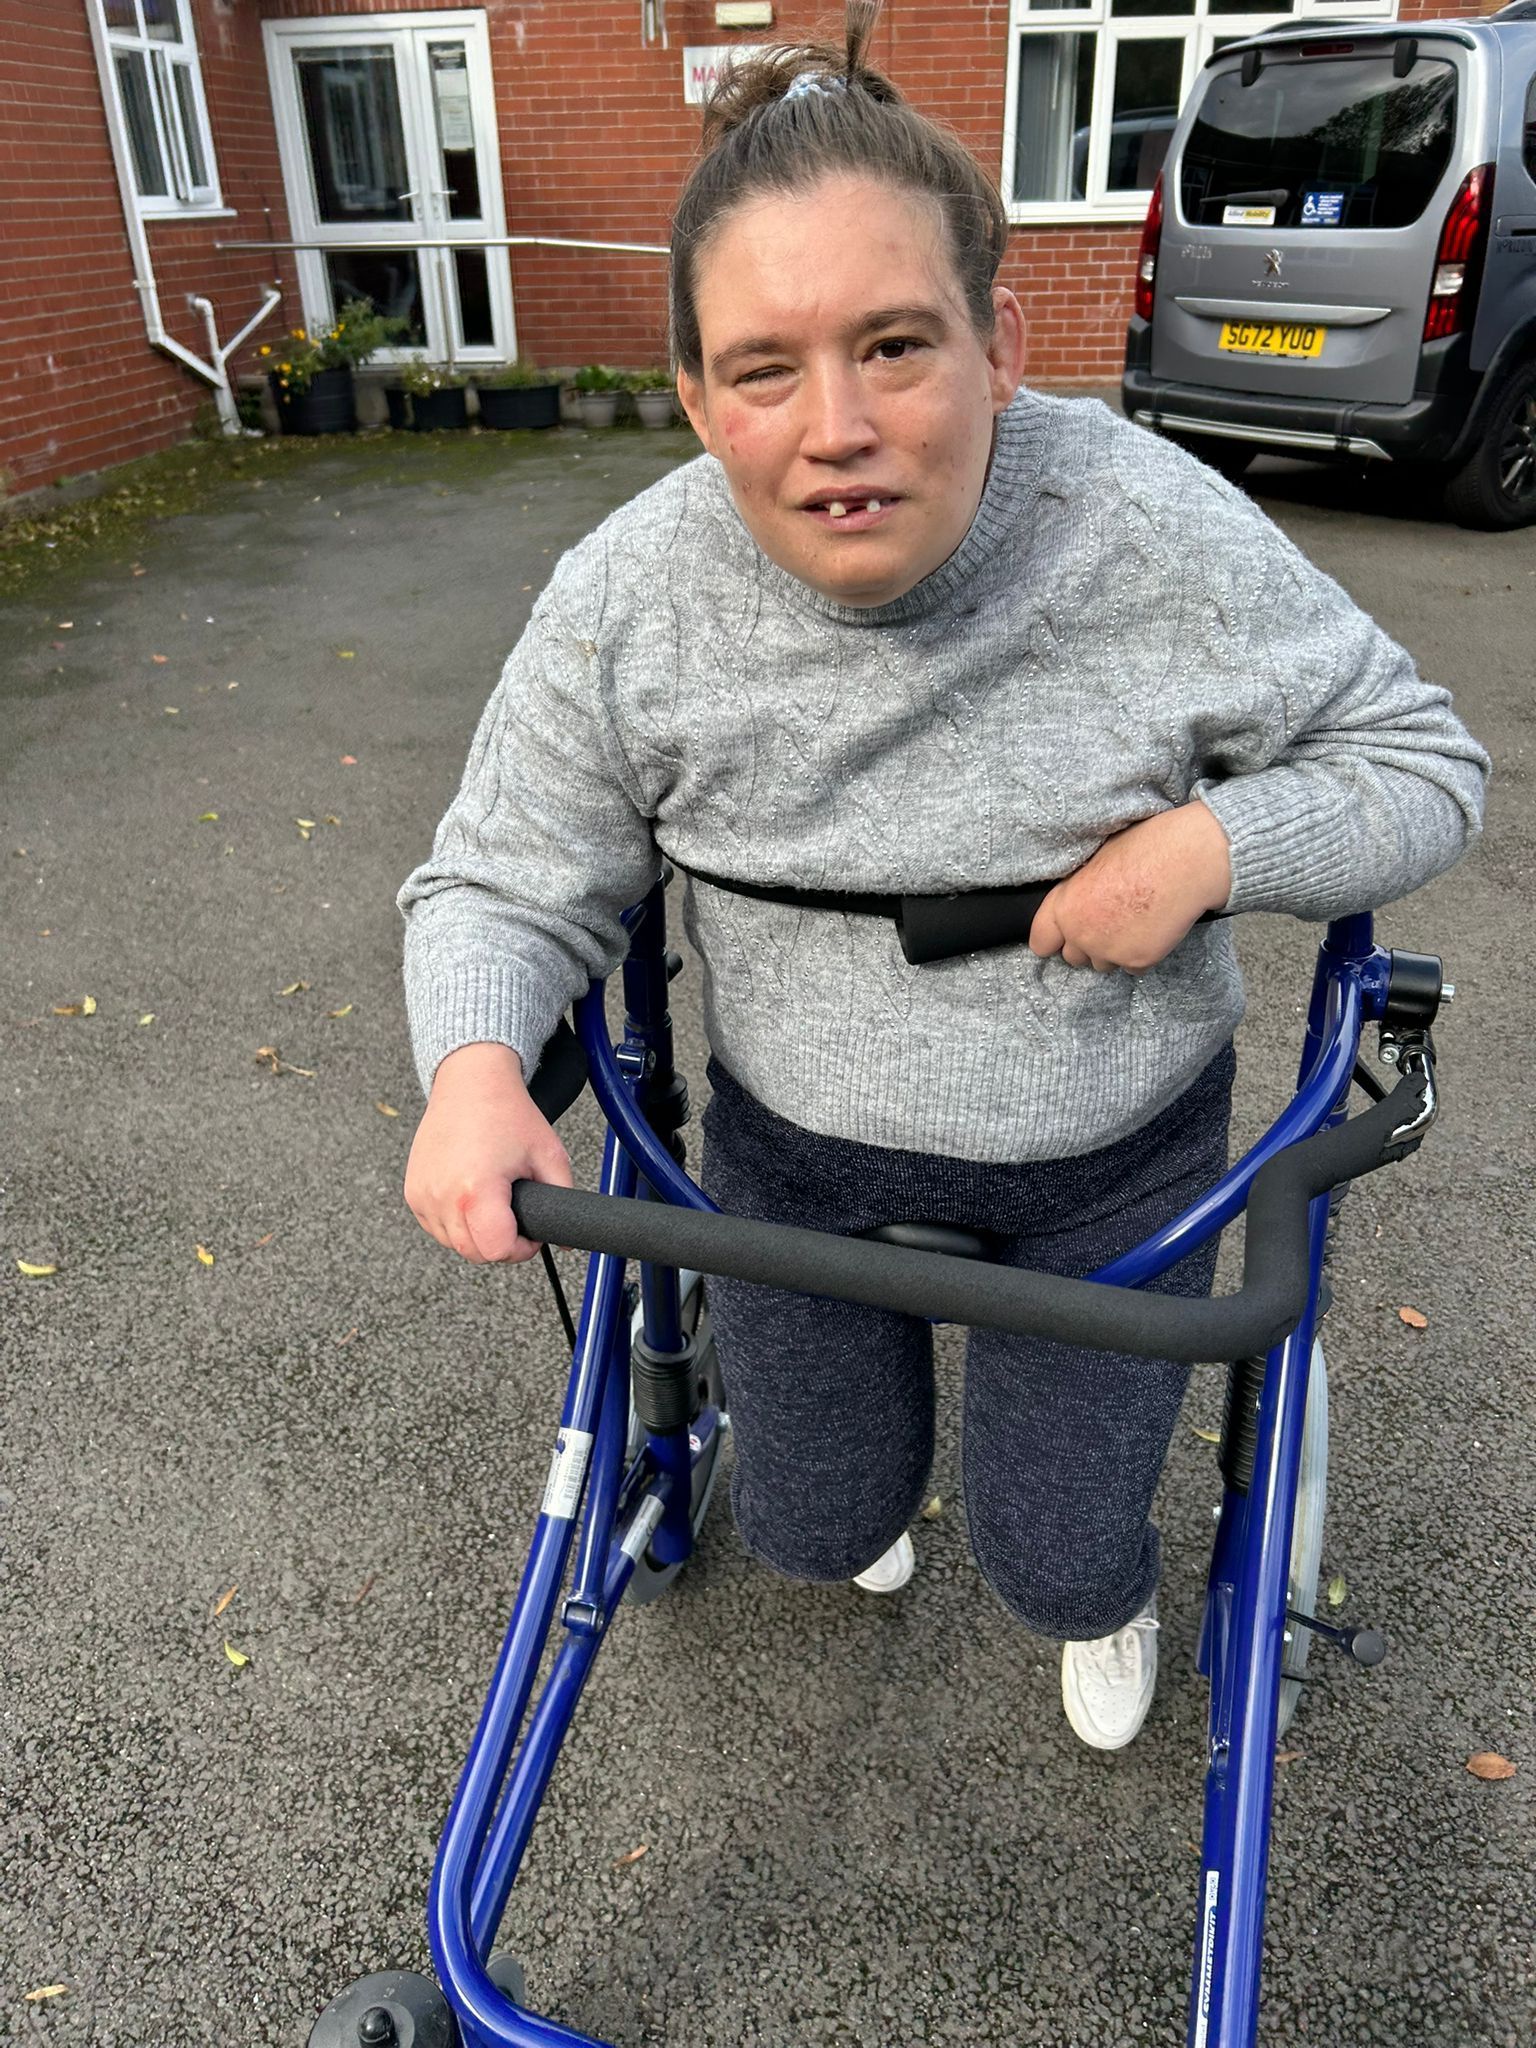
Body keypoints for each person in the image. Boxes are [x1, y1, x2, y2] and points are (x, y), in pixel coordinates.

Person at [399, 2, 1488, 1751]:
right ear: (695, 397)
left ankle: (1094, 1592)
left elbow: (1426, 765)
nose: (836, 425)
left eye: (896, 346)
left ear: (1001, 342)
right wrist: (467, 1071)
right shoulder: (629, 599)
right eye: (764, 369)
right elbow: (506, 877)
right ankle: (863, 1492)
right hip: (789, 1166)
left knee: (1065, 1559)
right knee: (818, 1528)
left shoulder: (1148, 529)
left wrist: (1212, 849)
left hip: (1108, 1175)